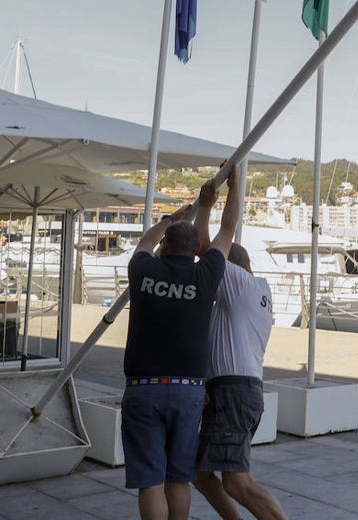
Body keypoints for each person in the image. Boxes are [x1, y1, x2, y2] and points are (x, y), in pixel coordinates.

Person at [121, 166, 240, 520]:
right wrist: (234, 186)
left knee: (150, 482)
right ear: (196, 250)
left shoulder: (143, 269)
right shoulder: (205, 274)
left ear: (165, 246)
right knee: (179, 478)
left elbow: (144, 241)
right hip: (188, 390)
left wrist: (175, 216)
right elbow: (228, 230)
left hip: (144, 388)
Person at [194, 240, 287, 520]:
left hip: (233, 392)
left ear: (231, 267)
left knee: (237, 482)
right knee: (199, 471)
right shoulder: (253, 295)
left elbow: (204, 245)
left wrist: (206, 205)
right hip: (235, 391)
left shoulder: (242, 283)